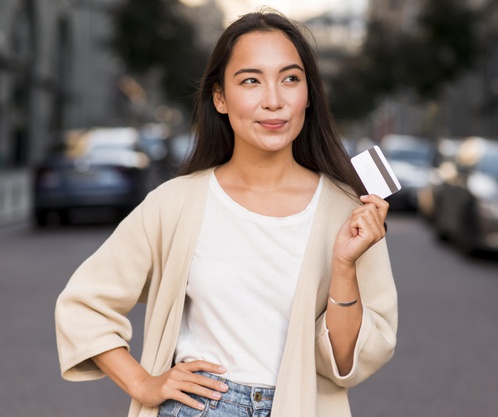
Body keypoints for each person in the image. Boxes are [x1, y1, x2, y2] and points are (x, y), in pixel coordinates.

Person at [55, 9, 397, 417]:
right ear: (220, 97)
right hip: (200, 407)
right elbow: (84, 304)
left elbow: (346, 364)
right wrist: (143, 382)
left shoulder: (350, 212)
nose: (273, 100)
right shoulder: (176, 202)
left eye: (290, 78)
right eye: (251, 80)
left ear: (309, 94)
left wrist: (343, 266)